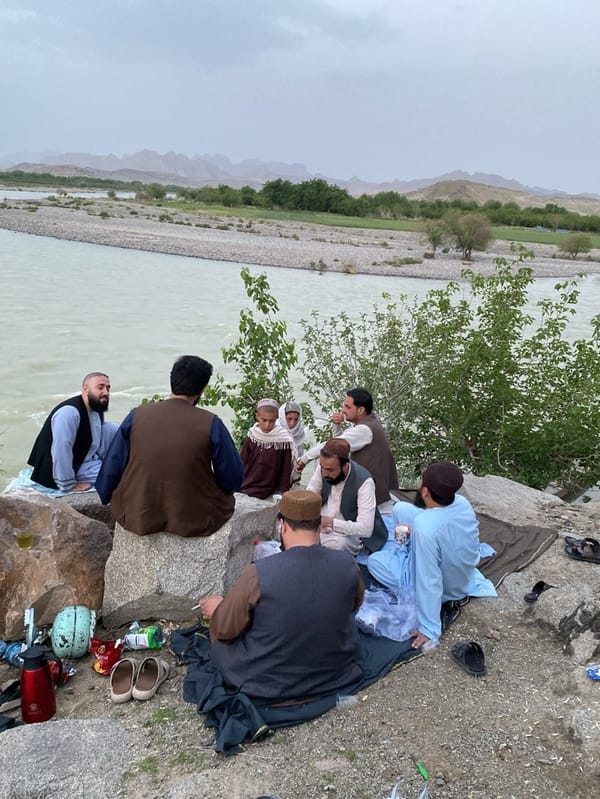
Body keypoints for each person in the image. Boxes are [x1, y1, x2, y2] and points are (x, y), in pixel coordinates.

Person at [198, 489, 364, 701]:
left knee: (222, 645)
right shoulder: (347, 564)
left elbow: (225, 629)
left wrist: (219, 608)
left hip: (270, 682)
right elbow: (353, 605)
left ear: (282, 526)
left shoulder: (258, 572)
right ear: (320, 525)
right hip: (336, 672)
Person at [96, 355, 243, 537]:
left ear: (172, 380)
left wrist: (105, 494)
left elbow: (113, 463)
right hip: (195, 519)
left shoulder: (137, 415)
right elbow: (232, 478)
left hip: (137, 514)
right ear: (202, 389)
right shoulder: (211, 422)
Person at [367, 461, 496, 649]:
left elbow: (429, 580)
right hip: (463, 570)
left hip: (447, 586)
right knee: (400, 508)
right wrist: (416, 530)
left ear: (425, 491)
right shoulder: (461, 503)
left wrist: (429, 628)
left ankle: (403, 557)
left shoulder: (425, 528)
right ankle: (406, 550)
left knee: (375, 561)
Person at [296, 387, 398, 512]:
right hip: (371, 488)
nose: (343, 410)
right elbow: (338, 445)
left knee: (324, 463)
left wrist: (304, 459)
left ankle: (308, 504)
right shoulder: (365, 424)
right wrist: (336, 425)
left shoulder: (364, 430)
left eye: (348, 407)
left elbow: (333, 445)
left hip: (371, 495)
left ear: (360, 410)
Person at [27, 372, 118, 492]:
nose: (105, 392)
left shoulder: (94, 407)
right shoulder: (69, 413)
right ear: (86, 389)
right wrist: (68, 484)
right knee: (120, 474)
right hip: (58, 470)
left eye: (108, 388)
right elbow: (61, 449)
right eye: (100, 387)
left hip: (85, 458)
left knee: (110, 427)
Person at [306, 438, 388, 556]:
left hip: (346, 532)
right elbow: (311, 494)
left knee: (335, 546)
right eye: (322, 467)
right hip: (320, 522)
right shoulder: (324, 467)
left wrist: (331, 522)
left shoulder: (364, 482)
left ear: (345, 466)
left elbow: (365, 528)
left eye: (329, 470)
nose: (324, 473)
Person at [239, 398, 295, 500]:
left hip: (270, 486)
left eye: (271, 421)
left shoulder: (283, 439)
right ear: (257, 417)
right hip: (248, 481)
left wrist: (284, 491)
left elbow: (286, 467)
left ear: (276, 419)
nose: (267, 425)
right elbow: (242, 460)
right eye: (264, 420)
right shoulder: (252, 435)